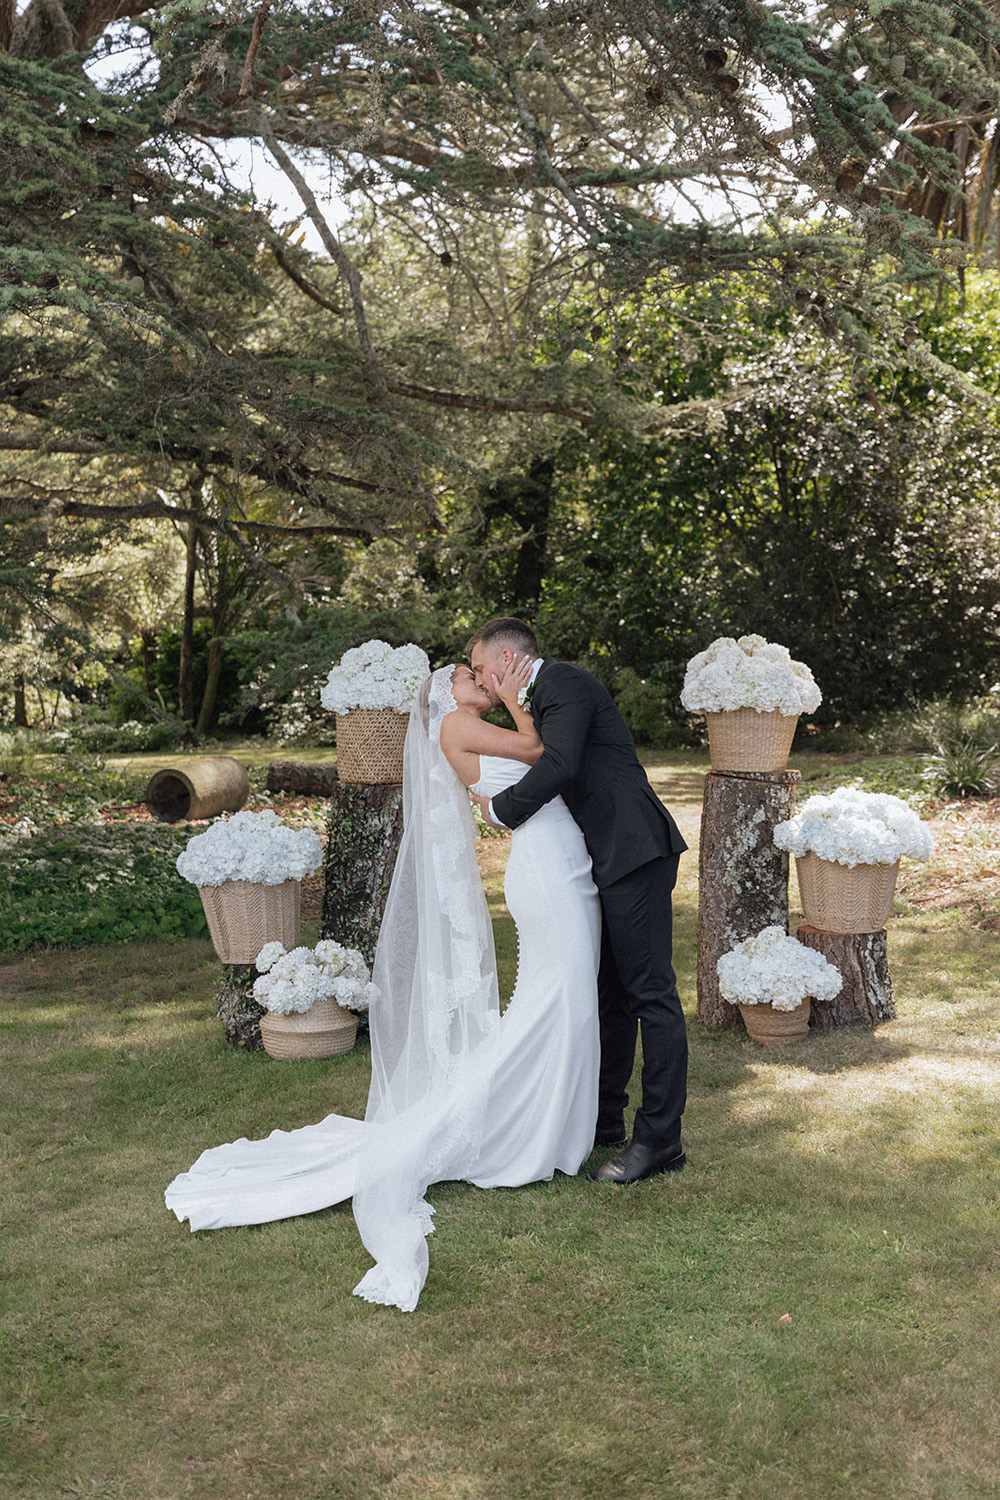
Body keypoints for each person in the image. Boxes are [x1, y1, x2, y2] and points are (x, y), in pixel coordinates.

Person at [165, 659, 601, 1312]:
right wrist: (516, 697)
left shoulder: (462, 725)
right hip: (544, 865)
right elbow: (539, 749)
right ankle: (526, 1128)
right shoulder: (458, 724)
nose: (476, 678)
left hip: (556, 859)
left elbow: (513, 781)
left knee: (556, 999)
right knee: (552, 999)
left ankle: (546, 1121)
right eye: (463, 675)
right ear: (440, 697)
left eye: (479, 674)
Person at [467, 617, 689, 1184]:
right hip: (606, 856)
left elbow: (559, 763)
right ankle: (603, 1119)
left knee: (650, 994)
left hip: (635, 849)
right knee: (610, 992)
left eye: (479, 671)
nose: (479, 683)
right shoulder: (537, 700)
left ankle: (660, 1141)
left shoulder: (563, 682)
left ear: (503, 663)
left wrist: (501, 811)